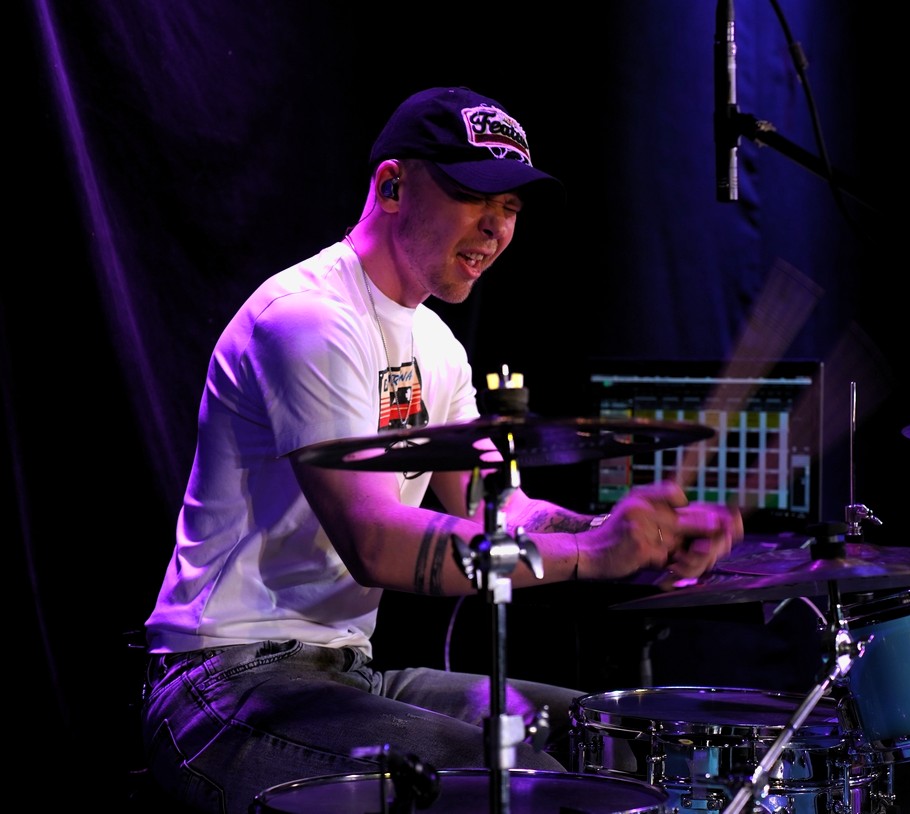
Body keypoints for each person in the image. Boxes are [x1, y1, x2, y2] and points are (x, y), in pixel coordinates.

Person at [139, 85, 743, 814]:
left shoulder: (439, 346)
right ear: (393, 186)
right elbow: (376, 542)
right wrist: (591, 555)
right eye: (475, 196)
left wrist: (623, 533)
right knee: (514, 780)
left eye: (510, 206)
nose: (496, 227)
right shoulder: (307, 320)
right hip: (226, 686)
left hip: (346, 674)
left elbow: (496, 508)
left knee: (611, 737)